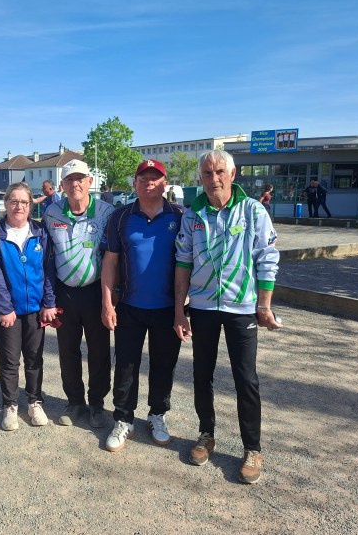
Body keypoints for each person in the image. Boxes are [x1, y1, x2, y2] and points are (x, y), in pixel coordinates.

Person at [174, 149, 281, 484]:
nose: (214, 178)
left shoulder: (252, 210)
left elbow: (267, 257)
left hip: (241, 308)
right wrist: (179, 309)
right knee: (201, 374)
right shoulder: (192, 215)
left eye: (220, 171)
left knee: (245, 379)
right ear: (201, 178)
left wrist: (264, 305)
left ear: (233, 175)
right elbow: (183, 263)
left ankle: (252, 448)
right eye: (207, 173)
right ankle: (206, 434)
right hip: (203, 307)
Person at [100, 159, 184, 452]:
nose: (149, 182)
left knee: (164, 365)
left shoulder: (180, 216)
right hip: (129, 305)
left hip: (168, 307)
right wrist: (107, 303)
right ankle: (124, 419)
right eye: (143, 177)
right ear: (134, 183)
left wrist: (184, 308)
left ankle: (157, 415)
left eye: (155, 177)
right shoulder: (120, 217)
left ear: (165, 183)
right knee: (126, 365)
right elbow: (110, 261)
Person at [44, 160, 114, 428]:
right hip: (65, 293)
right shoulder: (52, 213)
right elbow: (48, 257)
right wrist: (49, 297)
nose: (75, 184)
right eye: (69, 179)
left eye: (80, 178)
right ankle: (74, 401)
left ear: (90, 182)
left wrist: (113, 295)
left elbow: (113, 257)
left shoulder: (106, 212)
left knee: (99, 351)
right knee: (67, 350)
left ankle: (97, 403)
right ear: (62, 185)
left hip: (95, 291)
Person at [0, 182, 57, 431]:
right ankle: (10, 405)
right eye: (13, 201)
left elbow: (48, 269)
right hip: (9, 311)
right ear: (6, 203)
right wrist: (4, 308)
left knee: (34, 358)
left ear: (30, 205)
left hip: (36, 309)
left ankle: (35, 401)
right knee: (10, 360)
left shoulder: (40, 231)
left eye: (24, 202)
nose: (19, 206)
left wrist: (49, 303)